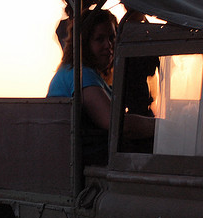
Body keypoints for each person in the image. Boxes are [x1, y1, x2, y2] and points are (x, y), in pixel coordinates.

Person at [47, 9, 155, 163]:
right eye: (99, 39)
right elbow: (117, 124)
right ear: (83, 43)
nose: (108, 45)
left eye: (112, 37)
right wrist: (162, 127)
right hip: (77, 166)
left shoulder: (88, 74)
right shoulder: (79, 73)